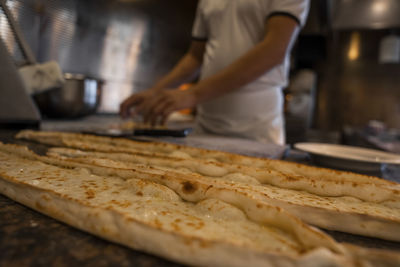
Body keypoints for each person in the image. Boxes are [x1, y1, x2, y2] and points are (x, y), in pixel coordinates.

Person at [120, 0, 310, 145]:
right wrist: (156, 92)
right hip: (206, 124)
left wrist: (193, 94)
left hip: (256, 128)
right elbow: (195, 57)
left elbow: (274, 51)